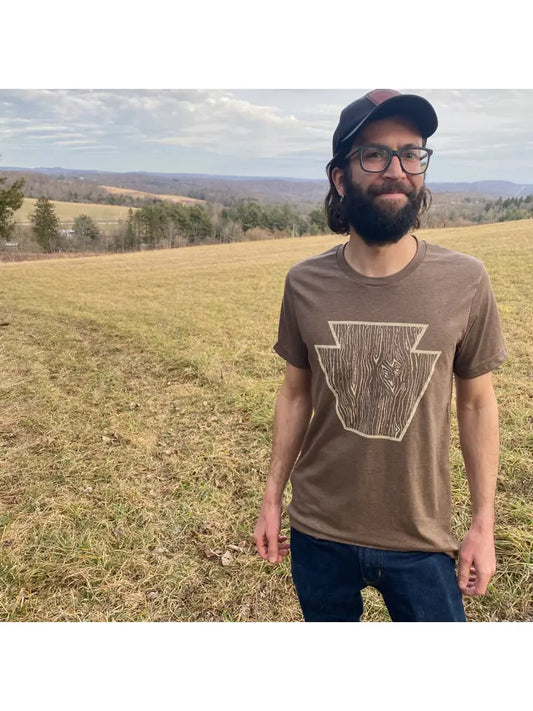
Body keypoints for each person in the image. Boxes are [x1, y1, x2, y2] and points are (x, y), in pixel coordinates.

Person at [253, 89, 508, 622]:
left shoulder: (465, 280)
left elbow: (478, 403)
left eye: (411, 153)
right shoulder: (304, 282)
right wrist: (273, 494)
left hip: (422, 536)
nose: (396, 169)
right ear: (340, 176)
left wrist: (483, 520)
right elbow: (295, 392)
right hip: (319, 531)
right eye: (374, 154)